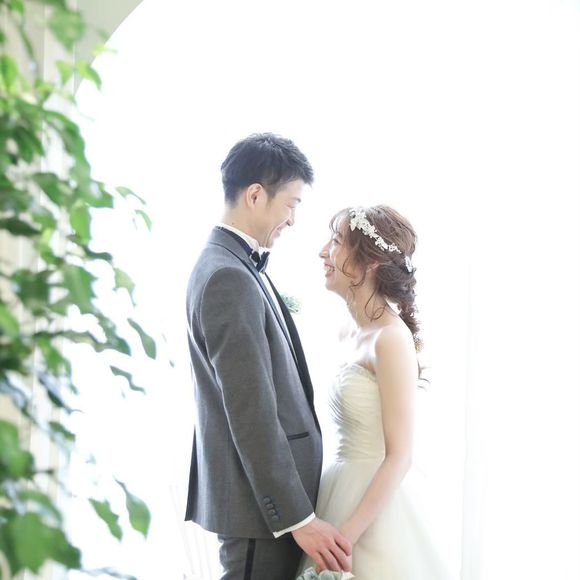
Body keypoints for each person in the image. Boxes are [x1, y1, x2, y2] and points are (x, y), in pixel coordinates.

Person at [184, 133, 351, 580]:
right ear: (255, 195)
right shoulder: (227, 276)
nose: (292, 220)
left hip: (264, 512)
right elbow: (251, 411)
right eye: (291, 204)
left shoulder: (233, 263)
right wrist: (298, 519)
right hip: (261, 515)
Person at [299, 205, 452, 579]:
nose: (323, 252)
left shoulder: (391, 339)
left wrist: (344, 541)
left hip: (373, 516)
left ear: (370, 263)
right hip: (336, 492)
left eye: (336, 241)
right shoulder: (347, 333)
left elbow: (400, 456)